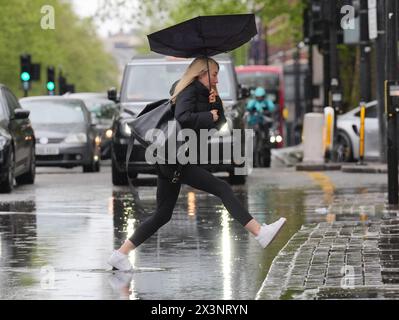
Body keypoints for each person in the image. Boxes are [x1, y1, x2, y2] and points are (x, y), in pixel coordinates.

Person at [107, 57, 287, 271]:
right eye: (214, 75)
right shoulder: (187, 90)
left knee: (162, 215)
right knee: (222, 188)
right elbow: (183, 117)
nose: (217, 79)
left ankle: (120, 254)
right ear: (201, 73)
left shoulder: (204, 93)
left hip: (173, 158)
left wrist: (216, 100)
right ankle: (259, 232)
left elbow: (219, 123)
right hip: (176, 157)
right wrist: (207, 114)